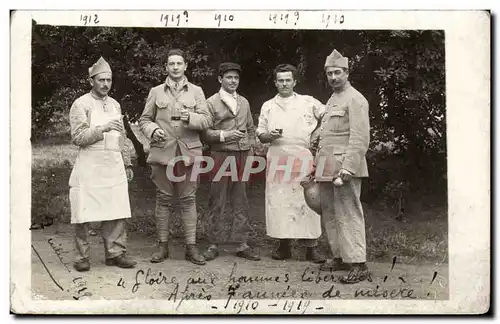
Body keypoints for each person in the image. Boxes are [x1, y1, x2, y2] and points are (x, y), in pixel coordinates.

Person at [139, 49, 211, 265]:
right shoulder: (156, 91)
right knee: (163, 198)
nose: (176, 67)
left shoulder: (197, 92)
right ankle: (162, 246)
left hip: (189, 153)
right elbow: (144, 119)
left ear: (186, 66)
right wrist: (152, 131)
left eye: (179, 63)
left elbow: (207, 120)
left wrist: (192, 118)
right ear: (166, 67)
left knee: (189, 199)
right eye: (172, 64)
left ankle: (191, 247)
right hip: (163, 152)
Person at [69, 57, 136, 272]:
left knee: (116, 208)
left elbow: (123, 137)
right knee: (84, 210)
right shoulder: (81, 104)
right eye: (101, 80)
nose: (105, 84)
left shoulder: (115, 104)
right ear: (91, 81)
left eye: (109, 80)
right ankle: (82, 256)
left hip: (113, 163)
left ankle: (115, 253)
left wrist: (127, 163)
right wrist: (104, 128)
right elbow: (78, 137)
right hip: (90, 163)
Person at [256, 64, 326, 263]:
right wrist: (270, 135)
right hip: (278, 156)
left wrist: (317, 136)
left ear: (295, 82)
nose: (284, 83)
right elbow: (261, 134)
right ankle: (283, 246)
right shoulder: (268, 105)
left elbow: (328, 116)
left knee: (307, 199)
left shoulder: (308, 102)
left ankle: (311, 248)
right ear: (275, 82)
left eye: (288, 80)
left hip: (303, 156)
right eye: (280, 80)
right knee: (280, 202)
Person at [313, 49, 371, 283]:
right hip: (327, 165)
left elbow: (359, 138)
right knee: (330, 213)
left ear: (347, 72)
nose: (333, 77)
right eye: (330, 73)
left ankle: (358, 263)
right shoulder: (333, 99)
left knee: (348, 212)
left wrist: (348, 168)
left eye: (338, 72)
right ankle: (339, 256)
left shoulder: (355, 99)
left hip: (344, 167)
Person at [201, 62, 261, 262]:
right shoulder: (210, 102)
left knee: (241, 200)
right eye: (229, 77)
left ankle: (241, 243)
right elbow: (205, 133)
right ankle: (213, 243)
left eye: (236, 78)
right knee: (217, 199)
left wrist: (251, 148)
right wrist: (224, 135)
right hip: (220, 155)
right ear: (220, 79)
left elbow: (251, 128)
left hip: (242, 156)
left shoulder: (244, 102)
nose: (233, 81)